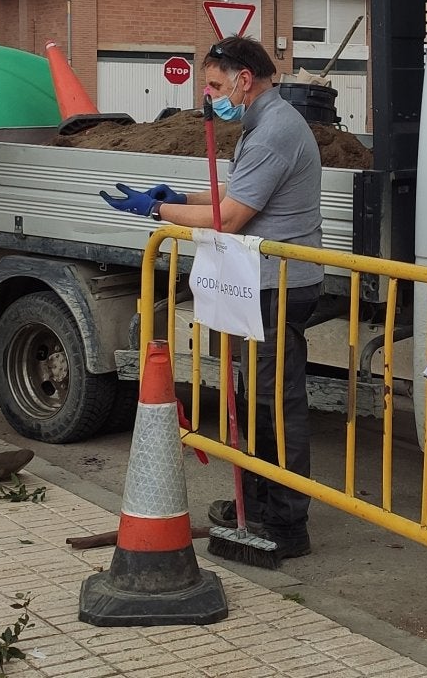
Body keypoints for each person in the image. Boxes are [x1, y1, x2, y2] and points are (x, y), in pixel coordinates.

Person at [101, 36, 323, 557]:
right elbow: (230, 197)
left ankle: (285, 522)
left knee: (275, 405)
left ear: (245, 79)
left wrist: (158, 214)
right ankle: (261, 501)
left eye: (216, 84)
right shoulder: (263, 123)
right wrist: (178, 197)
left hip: (279, 286)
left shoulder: (274, 131)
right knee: (257, 400)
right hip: (263, 282)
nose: (209, 94)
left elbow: (232, 217)